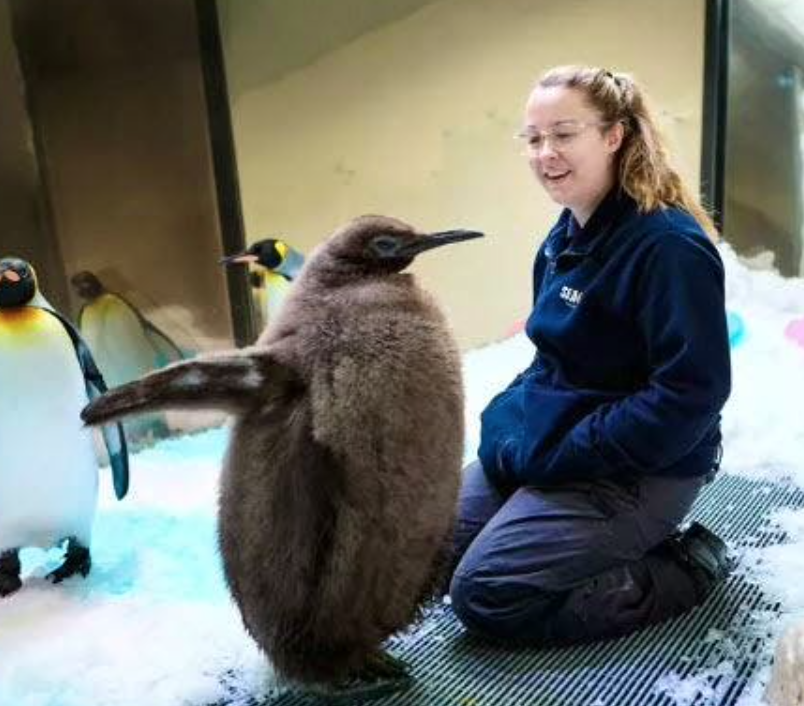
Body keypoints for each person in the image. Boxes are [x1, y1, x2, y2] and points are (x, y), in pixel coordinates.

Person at [448, 65, 733, 645]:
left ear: (614, 136)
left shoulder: (667, 248)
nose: (544, 152)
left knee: (487, 594)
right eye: (533, 138)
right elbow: (550, 361)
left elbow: (690, 396)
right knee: (418, 552)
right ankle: (552, 528)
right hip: (566, 448)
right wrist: (509, 426)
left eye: (563, 133)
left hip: (643, 467)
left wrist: (566, 451)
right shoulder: (564, 237)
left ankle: (684, 567)